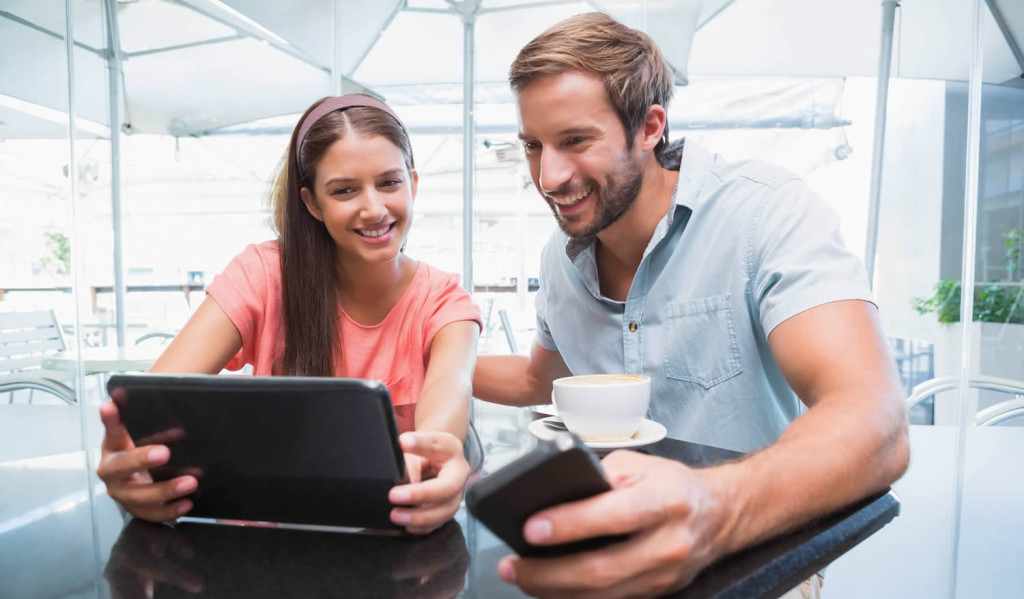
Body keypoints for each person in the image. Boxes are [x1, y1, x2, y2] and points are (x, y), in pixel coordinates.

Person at [471, 12, 910, 598]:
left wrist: (712, 508)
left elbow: (875, 419)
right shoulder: (560, 257)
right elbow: (538, 378)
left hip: (754, 559)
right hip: (606, 553)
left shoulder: (765, 212)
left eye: (575, 140)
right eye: (533, 146)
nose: (548, 177)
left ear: (650, 126)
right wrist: (407, 354)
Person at [97, 95, 482, 535]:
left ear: (413, 183)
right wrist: (133, 466)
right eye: (344, 190)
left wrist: (437, 459)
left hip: (388, 547)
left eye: (389, 183)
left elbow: (448, 405)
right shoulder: (262, 275)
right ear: (312, 203)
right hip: (258, 549)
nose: (374, 208)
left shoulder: (445, 302)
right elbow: (153, 401)